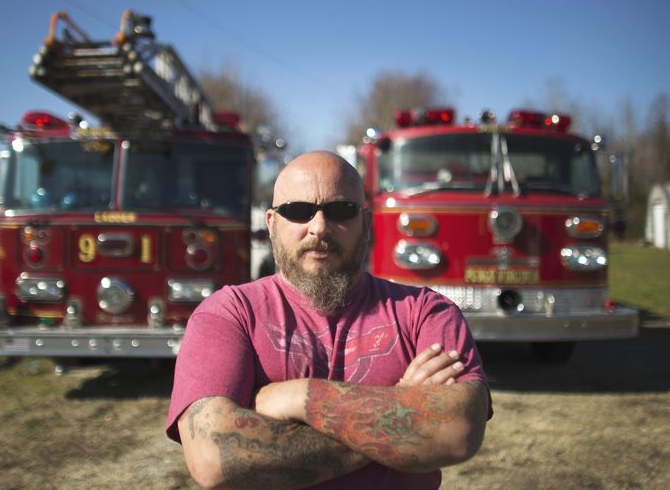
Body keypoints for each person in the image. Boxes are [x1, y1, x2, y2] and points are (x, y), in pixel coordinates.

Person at [166, 151, 492, 489]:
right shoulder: (227, 313)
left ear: (366, 223)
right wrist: (398, 411)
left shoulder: (425, 311)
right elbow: (216, 459)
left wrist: (299, 397)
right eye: (298, 211)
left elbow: (457, 432)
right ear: (271, 223)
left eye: (340, 211)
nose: (319, 227)